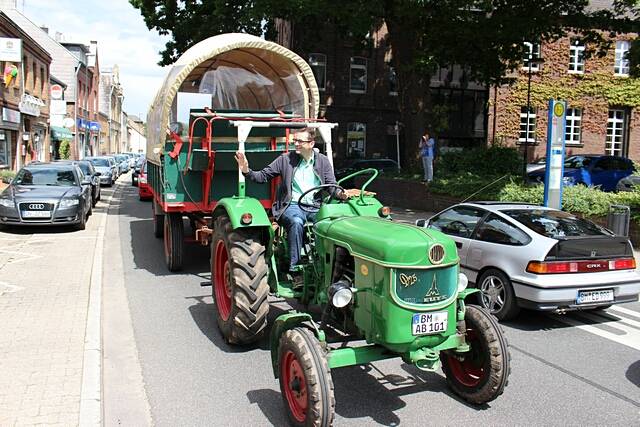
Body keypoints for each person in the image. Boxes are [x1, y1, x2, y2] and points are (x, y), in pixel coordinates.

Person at [235, 128, 347, 281]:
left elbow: (331, 186)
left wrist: (341, 194)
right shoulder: (285, 159)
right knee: (296, 222)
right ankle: (295, 269)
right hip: (292, 206)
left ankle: (327, 266)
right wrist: (246, 170)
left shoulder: (322, 161)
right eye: (295, 141)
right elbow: (262, 176)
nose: (296, 144)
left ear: (311, 143)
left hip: (315, 206)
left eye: (300, 141)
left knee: (329, 225)